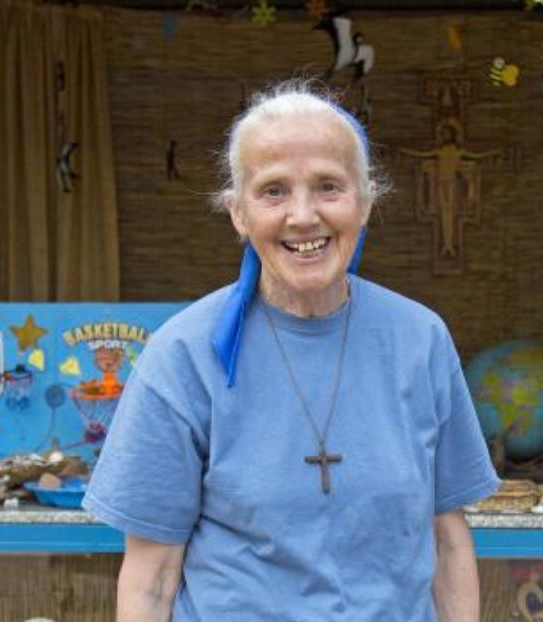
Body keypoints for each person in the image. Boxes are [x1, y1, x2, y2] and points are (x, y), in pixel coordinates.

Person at [82, 80, 501, 622]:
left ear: (366, 201)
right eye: (273, 191)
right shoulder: (183, 356)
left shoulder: (420, 340)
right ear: (238, 213)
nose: (303, 216)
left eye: (329, 186)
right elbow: (151, 578)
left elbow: (447, 542)